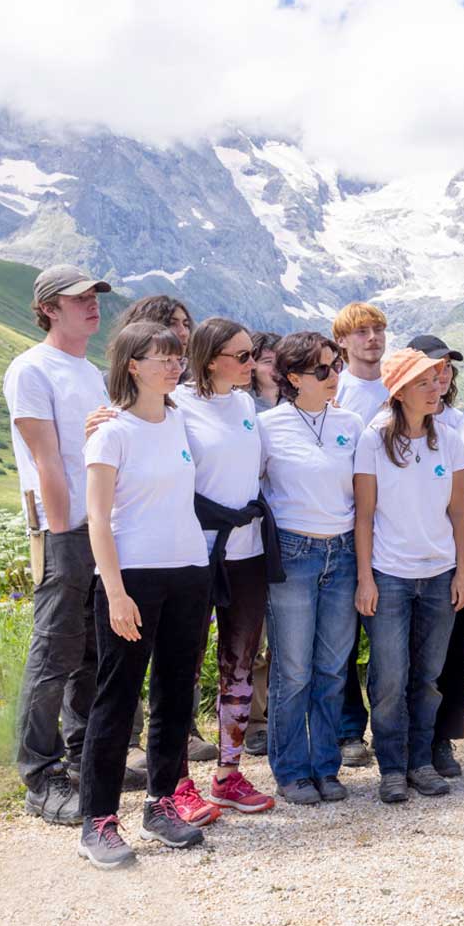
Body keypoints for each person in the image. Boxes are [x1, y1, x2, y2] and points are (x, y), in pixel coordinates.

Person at [77, 323, 211, 869]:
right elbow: (97, 519)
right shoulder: (111, 432)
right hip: (133, 576)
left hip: (189, 573)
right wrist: (115, 592)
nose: (175, 365)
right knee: (117, 696)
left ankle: (160, 804)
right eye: (162, 357)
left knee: (176, 694)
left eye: (178, 356)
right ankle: (98, 820)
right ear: (132, 363)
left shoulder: (178, 418)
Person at [3, 265, 114, 825]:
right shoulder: (31, 369)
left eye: (94, 296)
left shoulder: (89, 371)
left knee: (90, 651)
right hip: (62, 526)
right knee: (53, 652)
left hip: (96, 525)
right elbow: (47, 460)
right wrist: (70, 530)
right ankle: (40, 776)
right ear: (48, 307)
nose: (92, 305)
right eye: (78, 299)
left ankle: (83, 754)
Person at [354, 348, 464, 804]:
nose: (435, 387)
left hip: (440, 574)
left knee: (428, 676)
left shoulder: (451, 438)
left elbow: (458, 511)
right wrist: (366, 579)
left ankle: (420, 761)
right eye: (423, 382)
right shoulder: (373, 440)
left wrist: (462, 571)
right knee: (389, 676)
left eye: (437, 378)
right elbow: (363, 516)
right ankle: (391, 767)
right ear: (399, 391)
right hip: (390, 575)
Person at [175, 319, 281, 816]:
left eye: (252, 354)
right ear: (210, 357)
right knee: (184, 665)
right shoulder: (178, 406)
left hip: (247, 549)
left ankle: (228, 774)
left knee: (239, 662)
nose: (251, 364)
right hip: (194, 551)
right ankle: (174, 779)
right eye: (241, 357)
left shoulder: (244, 405)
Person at [260, 331, 362, 805]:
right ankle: (292, 769)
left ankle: (326, 766)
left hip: (341, 554)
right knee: (294, 670)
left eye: (336, 365)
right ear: (294, 377)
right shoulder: (269, 427)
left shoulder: (352, 423)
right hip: (294, 554)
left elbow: (363, 498)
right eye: (322, 369)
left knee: (332, 669)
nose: (333, 376)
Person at [397, 333, 464, 780]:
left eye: (445, 368)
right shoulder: (386, 429)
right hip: (400, 560)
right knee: (401, 660)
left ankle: (439, 741)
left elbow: (462, 499)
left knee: (447, 655)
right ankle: (403, 745)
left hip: (450, 552)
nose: (440, 376)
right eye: (430, 369)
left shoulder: (458, 424)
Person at [332, 302, 389, 768]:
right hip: (345, 522)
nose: (372, 338)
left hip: (393, 525)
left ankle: (394, 728)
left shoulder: (397, 384)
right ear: (343, 342)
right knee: (344, 637)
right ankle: (351, 729)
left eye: (378, 330)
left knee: (388, 636)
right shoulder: (338, 390)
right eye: (362, 332)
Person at [242, 329, 282, 757]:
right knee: (255, 636)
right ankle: (254, 720)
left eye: (277, 358)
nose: (270, 365)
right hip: (250, 531)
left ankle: (278, 715)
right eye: (263, 358)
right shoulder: (242, 407)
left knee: (283, 639)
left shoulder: (297, 407)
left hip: (285, 533)